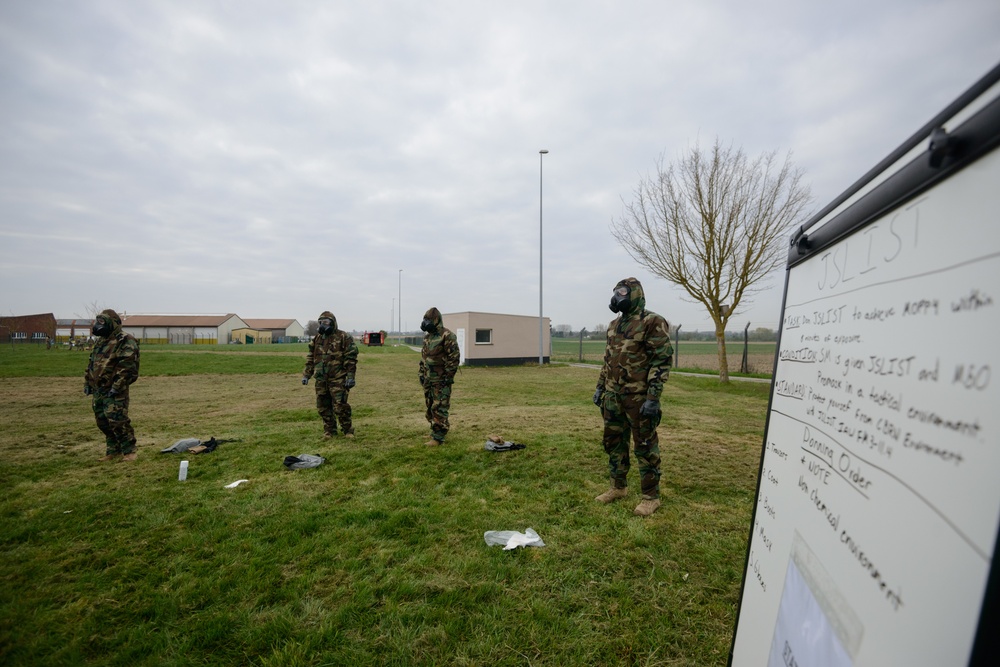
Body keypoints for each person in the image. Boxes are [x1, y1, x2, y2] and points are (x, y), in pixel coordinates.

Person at [593, 277, 673, 516]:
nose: (618, 297)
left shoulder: (652, 322)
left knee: (645, 445)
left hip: (638, 398)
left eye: (623, 292)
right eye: (616, 292)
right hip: (613, 396)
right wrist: (600, 387)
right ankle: (618, 487)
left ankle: (651, 496)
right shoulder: (613, 325)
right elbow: (608, 360)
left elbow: (661, 361)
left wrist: (653, 397)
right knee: (613, 443)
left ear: (635, 293)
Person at [84, 309, 141, 462]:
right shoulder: (101, 341)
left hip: (115, 389)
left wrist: (117, 386)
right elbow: (92, 364)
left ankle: (129, 451)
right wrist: (88, 382)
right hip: (99, 389)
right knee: (102, 421)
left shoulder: (125, 340)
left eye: (102, 322)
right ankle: (113, 450)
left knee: (117, 420)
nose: (98, 325)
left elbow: (127, 367)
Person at [302, 311, 359, 438]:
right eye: (321, 322)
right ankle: (329, 430)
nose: (323, 325)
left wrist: (350, 377)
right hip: (321, 379)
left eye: (326, 322)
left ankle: (348, 430)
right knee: (323, 406)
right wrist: (306, 374)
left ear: (333, 323)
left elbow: (351, 358)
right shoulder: (317, 338)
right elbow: (311, 357)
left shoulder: (343, 337)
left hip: (338, 378)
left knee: (341, 406)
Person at [418, 307, 460, 446]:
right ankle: (434, 431)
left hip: (441, 379)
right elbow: (424, 357)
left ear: (436, 320)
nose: (426, 322)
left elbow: (453, 358)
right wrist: (421, 373)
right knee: (430, 406)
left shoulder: (447, 336)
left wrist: (448, 376)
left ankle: (438, 437)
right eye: (425, 319)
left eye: (428, 320)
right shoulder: (427, 337)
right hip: (429, 379)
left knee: (439, 407)